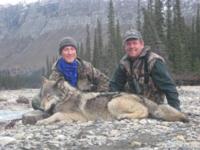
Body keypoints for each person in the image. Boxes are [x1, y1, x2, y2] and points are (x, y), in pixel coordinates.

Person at [109, 29, 181, 111]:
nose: (132, 46)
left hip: (153, 104)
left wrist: (175, 108)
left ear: (142, 44)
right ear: (124, 47)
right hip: (132, 104)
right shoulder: (123, 63)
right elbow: (114, 85)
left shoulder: (153, 61)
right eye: (128, 44)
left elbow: (168, 87)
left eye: (134, 43)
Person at [32, 37, 109, 110]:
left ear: (75, 51)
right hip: (70, 105)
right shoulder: (56, 75)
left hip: (89, 102)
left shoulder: (86, 67)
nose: (70, 53)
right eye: (66, 50)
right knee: (35, 101)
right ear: (61, 53)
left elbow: (104, 80)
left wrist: (99, 96)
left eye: (72, 49)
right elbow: (53, 95)